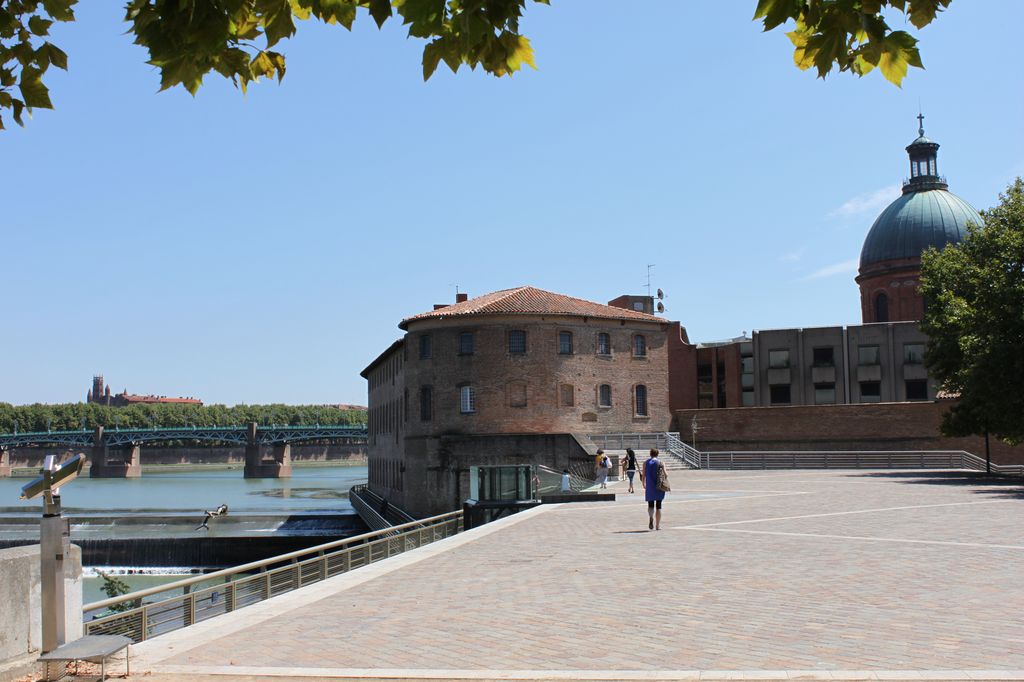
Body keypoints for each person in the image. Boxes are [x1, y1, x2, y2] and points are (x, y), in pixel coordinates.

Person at [641, 448, 666, 530]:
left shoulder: (645, 463)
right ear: (657, 454)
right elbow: (666, 475)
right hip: (659, 486)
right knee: (659, 506)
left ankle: (651, 517)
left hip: (650, 486)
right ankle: (657, 525)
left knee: (650, 504)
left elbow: (643, 475)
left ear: (650, 454)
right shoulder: (661, 462)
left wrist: (643, 483)